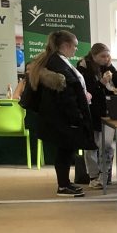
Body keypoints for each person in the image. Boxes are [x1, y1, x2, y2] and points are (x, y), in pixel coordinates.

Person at [24, 30, 91, 197]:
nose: (76, 49)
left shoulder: (55, 61)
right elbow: (66, 96)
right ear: (66, 46)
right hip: (63, 117)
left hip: (59, 116)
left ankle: (65, 182)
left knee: (66, 151)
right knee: (64, 151)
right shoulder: (57, 64)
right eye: (74, 46)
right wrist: (76, 117)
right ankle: (63, 186)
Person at [76, 43, 117, 189]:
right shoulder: (83, 67)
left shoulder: (107, 66)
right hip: (91, 110)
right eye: (102, 56)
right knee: (91, 145)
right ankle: (93, 176)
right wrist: (101, 82)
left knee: (107, 144)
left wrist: (111, 67)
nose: (106, 58)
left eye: (108, 55)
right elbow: (87, 90)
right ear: (93, 55)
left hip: (107, 110)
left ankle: (104, 175)